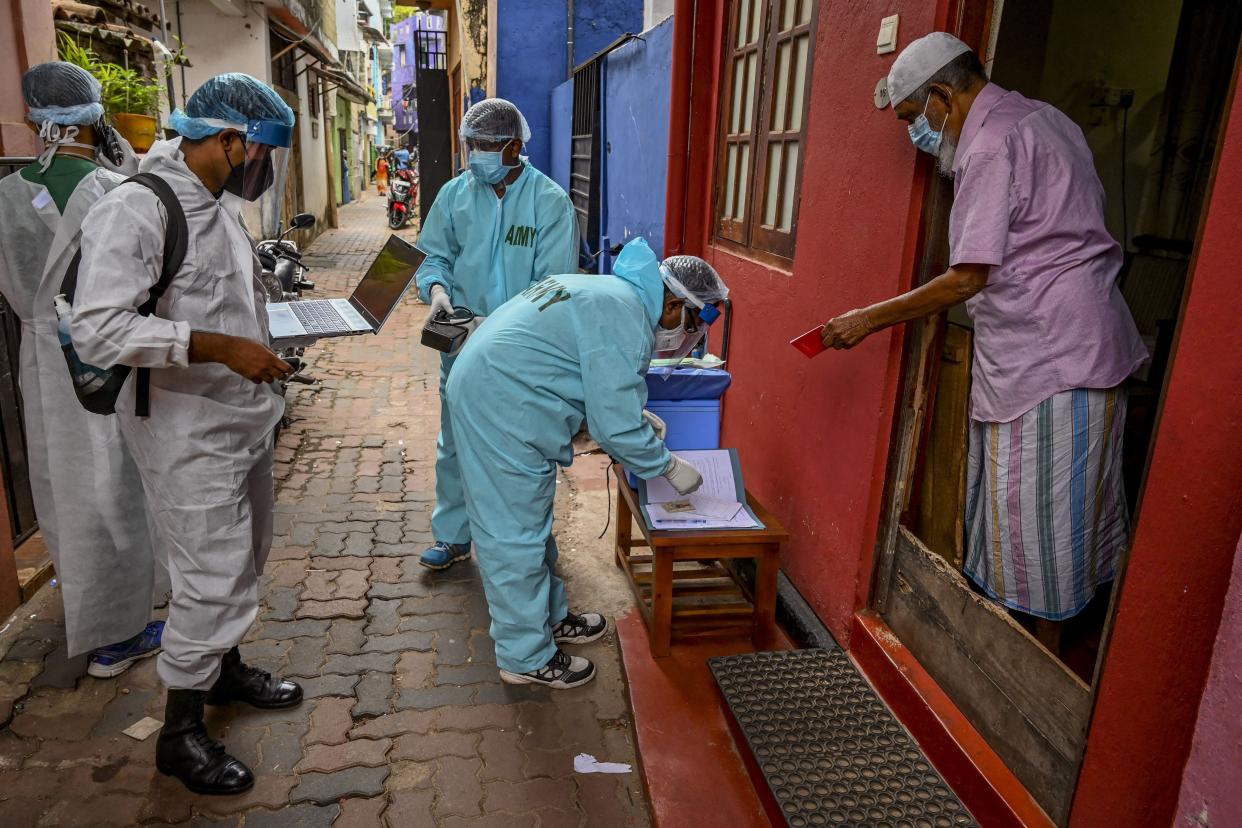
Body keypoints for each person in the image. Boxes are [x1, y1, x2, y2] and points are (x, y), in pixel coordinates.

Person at [821, 33, 1147, 630]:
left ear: (942, 96)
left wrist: (866, 319)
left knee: (1039, 527)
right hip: (1085, 342)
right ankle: (1055, 635)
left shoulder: (989, 147)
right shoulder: (1045, 118)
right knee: (1077, 509)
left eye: (912, 117)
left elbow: (967, 277)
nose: (915, 134)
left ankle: (1031, 662)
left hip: (1051, 359)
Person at [72, 73, 303, 796]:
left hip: (241, 418)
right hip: (184, 429)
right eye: (262, 155)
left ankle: (223, 670)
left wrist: (271, 329)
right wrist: (221, 348)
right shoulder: (139, 208)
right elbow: (99, 327)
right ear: (230, 141)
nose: (264, 172)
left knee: (246, 556)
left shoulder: (216, 203)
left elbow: (223, 299)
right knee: (209, 576)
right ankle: (179, 732)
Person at [445, 237, 724, 688]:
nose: (687, 337)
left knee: (531, 525)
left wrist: (628, 415)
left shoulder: (614, 295)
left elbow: (587, 376)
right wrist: (667, 466)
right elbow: (614, 427)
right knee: (512, 536)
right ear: (673, 304)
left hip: (500, 389)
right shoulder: (627, 317)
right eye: (693, 322)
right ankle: (525, 657)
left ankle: (550, 619)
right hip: (499, 402)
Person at [0, 62, 163, 678]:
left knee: (66, 493)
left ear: (36, 118)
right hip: (112, 357)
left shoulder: (7, 197)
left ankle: (96, 621)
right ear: (93, 116)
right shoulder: (123, 192)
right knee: (122, 487)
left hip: (43, 361)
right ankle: (123, 632)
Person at [415, 97, 579, 571]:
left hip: (522, 351)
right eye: (472, 144)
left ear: (513, 147)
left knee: (521, 446)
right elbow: (433, 254)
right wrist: (439, 289)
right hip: (460, 338)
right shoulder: (454, 195)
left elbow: (555, 286)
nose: (476, 153)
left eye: (486, 145)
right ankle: (452, 535)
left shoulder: (549, 203)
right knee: (455, 439)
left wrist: (505, 325)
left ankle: (528, 543)